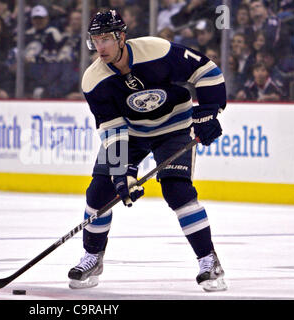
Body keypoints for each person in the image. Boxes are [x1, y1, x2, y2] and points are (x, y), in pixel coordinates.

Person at [68, 10, 227, 292]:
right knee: (99, 191)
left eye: (106, 39)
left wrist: (209, 113)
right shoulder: (93, 80)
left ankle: (209, 260)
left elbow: (207, 71)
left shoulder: (157, 50)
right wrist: (121, 176)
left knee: (177, 190)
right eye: (95, 40)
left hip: (175, 128)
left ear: (121, 37)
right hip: (131, 135)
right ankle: (93, 256)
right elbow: (113, 131)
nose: (100, 47)